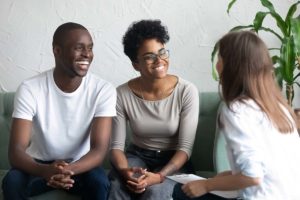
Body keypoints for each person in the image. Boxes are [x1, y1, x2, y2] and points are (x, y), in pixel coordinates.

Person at [172, 31, 300, 200]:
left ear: (232, 65)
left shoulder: (237, 111)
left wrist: (206, 185)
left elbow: (253, 177)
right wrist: (227, 176)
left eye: (219, 59)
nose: (217, 65)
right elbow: (271, 166)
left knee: (179, 192)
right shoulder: (279, 106)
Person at [2, 22, 117, 200]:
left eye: (90, 48)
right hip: (38, 166)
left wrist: (67, 170)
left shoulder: (103, 90)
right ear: (57, 50)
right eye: (79, 48)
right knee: (12, 181)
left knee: (100, 183)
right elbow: (16, 151)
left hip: (81, 165)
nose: (87, 54)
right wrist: (45, 171)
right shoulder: (30, 88)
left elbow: (99, 150)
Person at [108, 19, 199, 200]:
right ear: (136, 64)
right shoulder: (121, 94)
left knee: (156, 192)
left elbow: (185, 148)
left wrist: (159, 176)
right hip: (137, 156)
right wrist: (126, 171)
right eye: (149, 56)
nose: (159, 60)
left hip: (174, 160)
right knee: (119, 187)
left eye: (162, 52)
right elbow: (116, 147)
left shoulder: (186, 91)